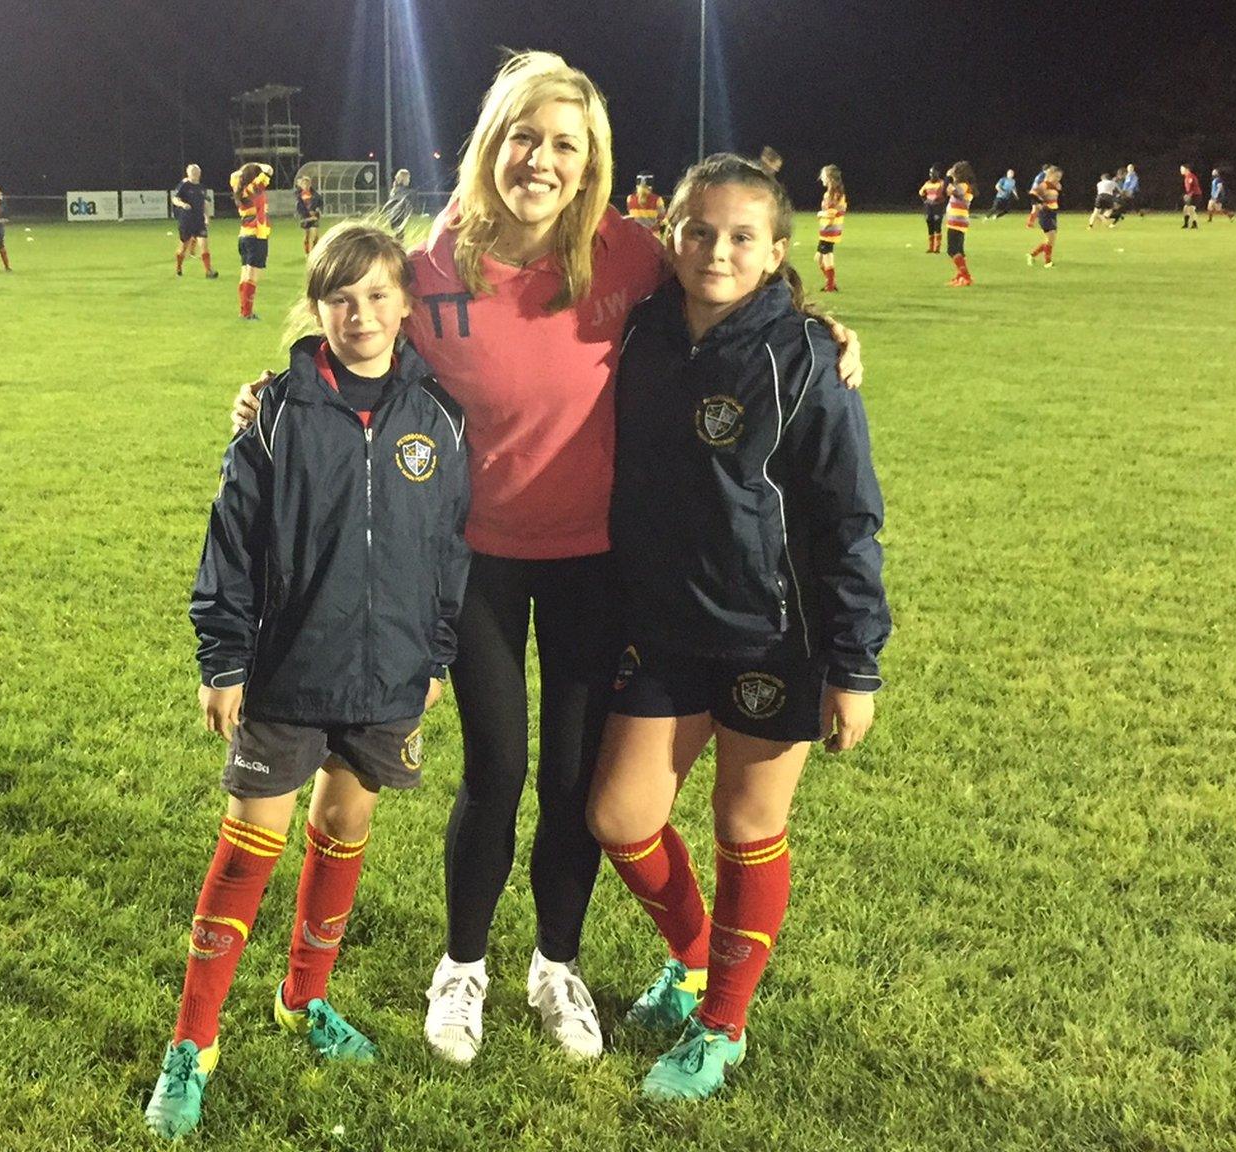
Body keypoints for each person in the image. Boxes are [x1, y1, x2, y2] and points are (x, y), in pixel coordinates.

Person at [226, 52, 866, 1066]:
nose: (541, 157)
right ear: (492, 141)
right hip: (473, 558)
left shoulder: (622, 256)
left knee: (573, 779)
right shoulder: (430, 262)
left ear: (588, 162)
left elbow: (733, 291)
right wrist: (275, 395)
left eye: (564, 142)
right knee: (495, 766)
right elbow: (350, 335)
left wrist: (814, 323)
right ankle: (462, 970)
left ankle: (555, 965)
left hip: (595, 560)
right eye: (525, 135)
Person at [143, 222, 471, 1140]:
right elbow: (230, 547)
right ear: (318, 306)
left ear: (407, 304)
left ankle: (303, 998)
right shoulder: (277, 413)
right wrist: (223, 661)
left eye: (377, 296)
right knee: (252, 848)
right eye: (342, 297)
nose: (361, 315)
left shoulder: (438, 416)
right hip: (287, 670)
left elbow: (449, 549)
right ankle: (192, 1045)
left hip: (388, 677)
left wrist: (435, 654)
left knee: (344, 828)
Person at [589, 152, 887, 1103]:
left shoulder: (805, 356)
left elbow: (848, 516)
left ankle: (723, 1025)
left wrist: (856, 667)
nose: (718, 250)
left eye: (741, 236)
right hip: (664, 627)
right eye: (700, 232)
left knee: (745, 823)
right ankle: (691, 962)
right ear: (669, 238)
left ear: (776, 251)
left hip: (776, 635)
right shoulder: (637, 335)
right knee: (621, 817)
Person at [231, 162, 274, 319]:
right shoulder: (253, 188)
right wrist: (256, 164)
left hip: (243, 235)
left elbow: (234, 175)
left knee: (245, 274)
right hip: (256, 235)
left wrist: (245, 170)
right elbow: (269, 169)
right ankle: (247, 312)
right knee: (252, 275)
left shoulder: (239, 188)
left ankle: (244, 310)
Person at [171, 164, 217, 278]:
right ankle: (178, 268)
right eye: (193, 172)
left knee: (204, 245)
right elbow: (174, 199)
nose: (195, 174)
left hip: (199, 221)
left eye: (197, 171)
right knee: (183, 248)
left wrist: (207, 216)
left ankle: (208, 271)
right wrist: (182, 204)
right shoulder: (184, 185)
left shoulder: (201, 187)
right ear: (188, 173)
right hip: (186, 221)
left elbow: (205, 203)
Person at [814, 165, 846, 292]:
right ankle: (831, 284)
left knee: (824, 257)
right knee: (821, 258)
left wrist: (820, 214)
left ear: (829, 178)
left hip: (828, 231)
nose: (821, 178)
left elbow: (831, 213)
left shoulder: (831, 194)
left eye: (823, 176)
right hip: (832, 231)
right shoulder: (838, 193)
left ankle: (830, 285)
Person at [944, 160, 976, 286]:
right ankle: (961, 276)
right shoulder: (960, 184)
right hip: (956, 221)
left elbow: (955, 192)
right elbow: (947, 190)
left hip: (957, 221)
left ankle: (966, 276)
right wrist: (949, 181)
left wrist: (948, 177)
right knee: (959, 250)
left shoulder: (963, 185)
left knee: (952, 250)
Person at [1028, 165, 1061, 267]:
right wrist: (1040, 204)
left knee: (1050, 240)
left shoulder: (1055, 186)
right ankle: (1047, 262)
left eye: (1059, 177)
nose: (1058, 179)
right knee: (1051, 238)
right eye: (1056, 176)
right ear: (1050, 175)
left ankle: (1032, 254)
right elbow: (1032, 194)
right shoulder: (1044, 185)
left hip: (1052, 213)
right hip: (1045, 214)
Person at [919, 166, 947, 252]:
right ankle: (931, 247)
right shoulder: (927, 183)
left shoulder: (942, 183)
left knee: (937, 223)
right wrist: (926, 201)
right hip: (929, 206)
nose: (931, 175)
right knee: (929, 223)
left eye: (933, 173)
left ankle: (937, 248)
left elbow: (946, 193)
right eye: (930, 173)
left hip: (938, 206)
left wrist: (941, 201)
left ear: (938, 173)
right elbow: (921, 193)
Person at [294, 175, 325, 252]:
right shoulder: (299, 196)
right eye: (304, 184)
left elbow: (320, 204)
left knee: (315, 236)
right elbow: (299, 209)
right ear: (302, 185)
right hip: (306, 218)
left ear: (310, 184)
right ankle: (307, 252)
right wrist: (308, 215)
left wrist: (317, 211)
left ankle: (314, 252)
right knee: (307, 236)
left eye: (307, 184)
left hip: (314, 218)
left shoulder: (315, 195)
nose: (306, 186)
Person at [381, 167, 415, 237]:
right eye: (408, 178)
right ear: (404, 179)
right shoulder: (402, 191)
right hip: (398, 217)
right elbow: (403, 204)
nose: (409, 180)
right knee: (399, 237)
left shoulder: (395, 189)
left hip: (394, 217)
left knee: (398, 236)